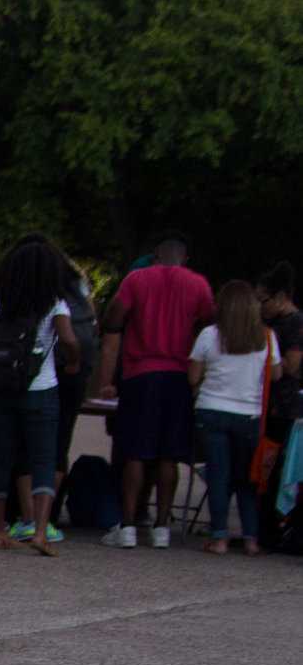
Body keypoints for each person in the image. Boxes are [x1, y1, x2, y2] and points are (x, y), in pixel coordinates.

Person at [96, 234, 213, 547]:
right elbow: (210, 322)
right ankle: (162, 528)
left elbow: (113, 319)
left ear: (155, 256)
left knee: (135, 452)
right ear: (184, 259)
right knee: (169, 454)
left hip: (140, 375)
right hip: (178, 376)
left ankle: (129, 525)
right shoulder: (198, 284)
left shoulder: (137, 280)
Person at [0, 234, 80, 556]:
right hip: (41, 387)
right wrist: (74, 360)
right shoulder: (54, 302)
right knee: (43, 457)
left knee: (1, 456)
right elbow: (68, 339)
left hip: (1, 387)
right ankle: (39, 530)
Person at [188, 279, 279, 556]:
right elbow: (275, 375)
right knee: (246, 479)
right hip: (248, 415)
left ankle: (219, 538)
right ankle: (250, 538)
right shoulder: (265, 337)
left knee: (219, 476)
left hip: (212, 409)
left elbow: (192, 376)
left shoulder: (209, 335)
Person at [255, 263, 303, 554]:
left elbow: (292, 364)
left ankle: (272, 530)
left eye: (264, 300)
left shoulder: (294, 323)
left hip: (283, 407)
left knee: (273, 469)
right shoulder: (274, 324)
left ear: (281, 296)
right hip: (270, 405)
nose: (260, 307)